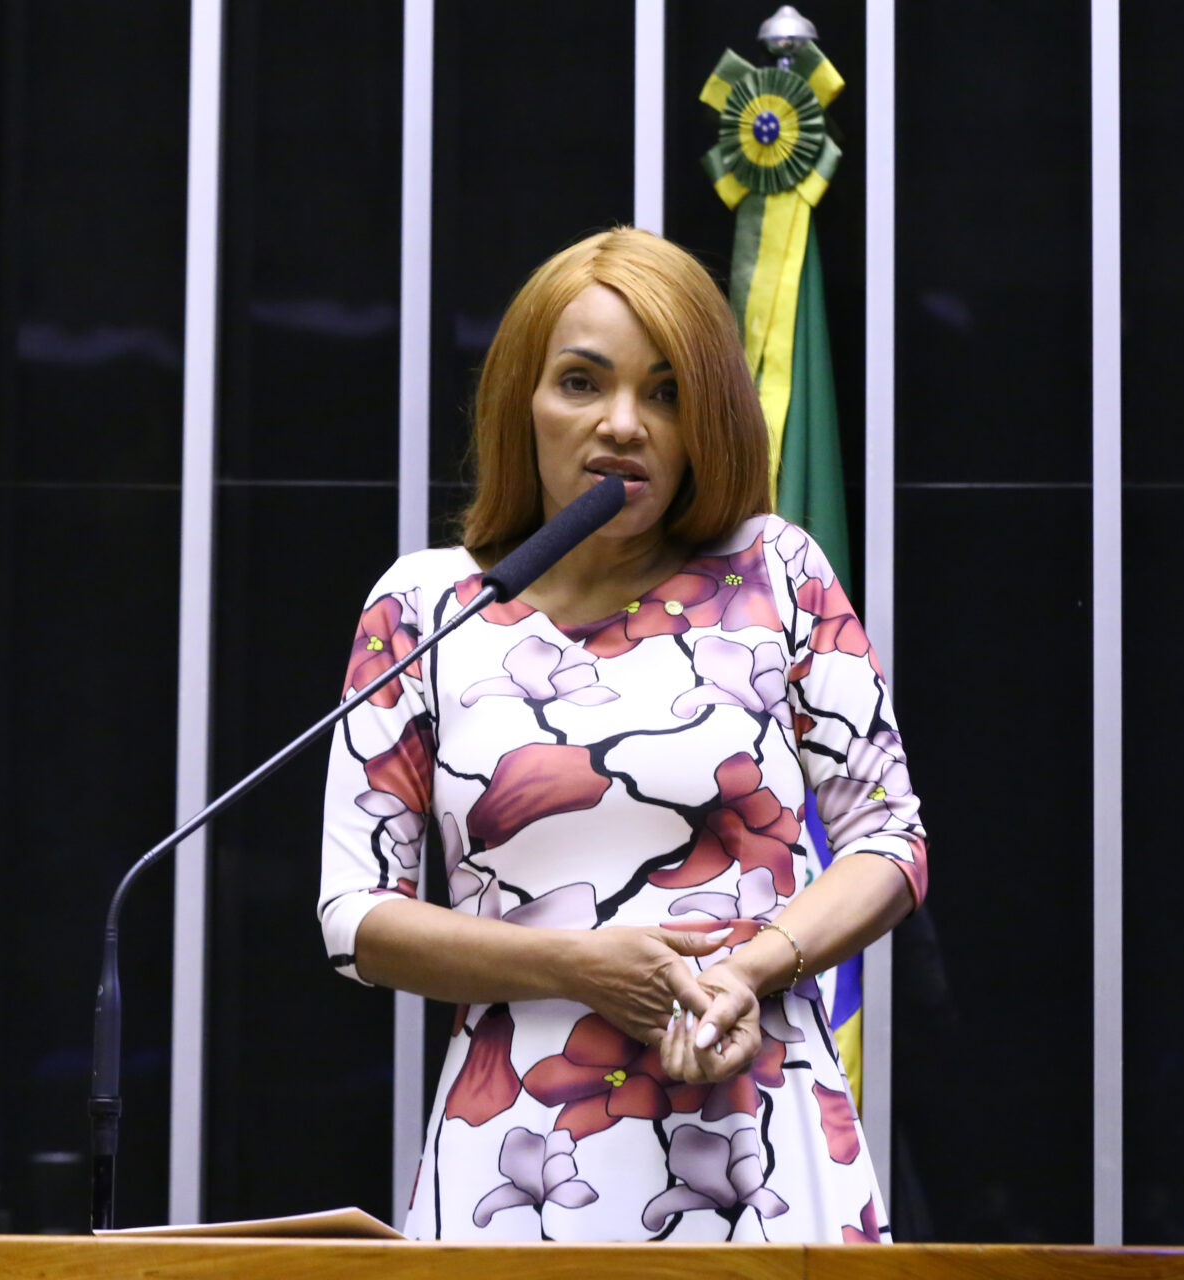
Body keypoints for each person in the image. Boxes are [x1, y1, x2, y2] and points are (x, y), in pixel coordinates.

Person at [318, 228, 926, 1242]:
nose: (621, 424)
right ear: (524, 401)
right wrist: (577, 964)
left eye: (666, 392)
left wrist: (749, 967)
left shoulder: (776, 571)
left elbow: (889, 837)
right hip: (518, 1156)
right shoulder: (424, 605)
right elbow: (355, 917)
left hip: (758, 1134)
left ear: (708, 424)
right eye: (580, 382)